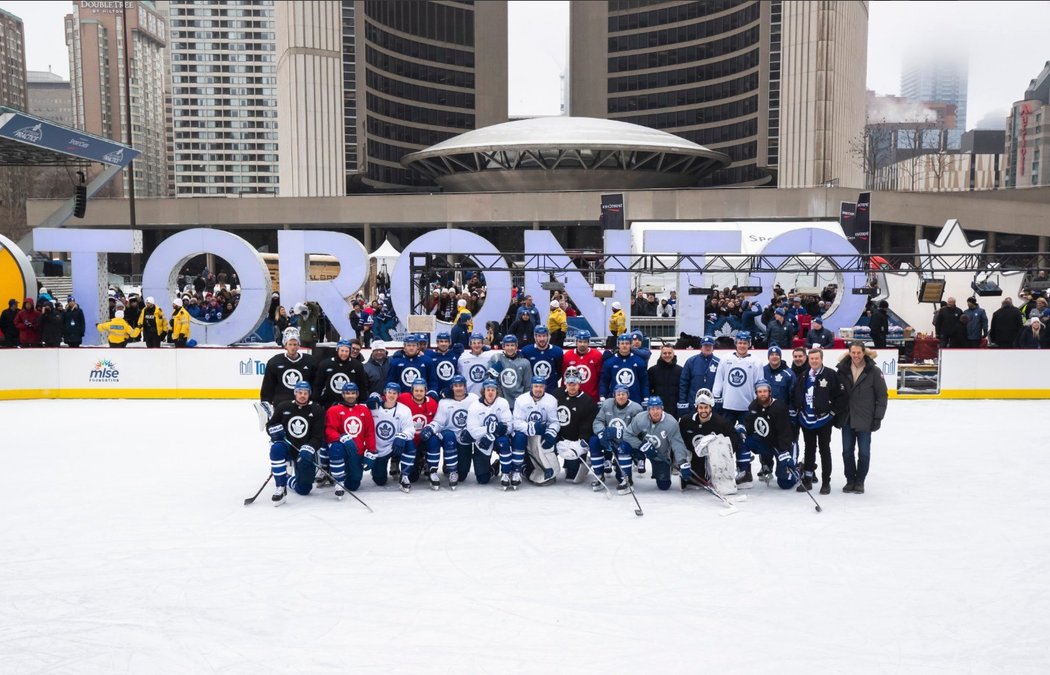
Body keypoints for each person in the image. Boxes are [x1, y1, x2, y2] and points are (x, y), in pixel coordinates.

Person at [836, 342, 888, 494]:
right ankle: (850, 480)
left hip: (865, 418)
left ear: (864, 353)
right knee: (847, 451)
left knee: (864, 452)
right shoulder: (842, 370)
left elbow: (882, 396)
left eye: (859, 353)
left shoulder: (873, 371)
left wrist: (878, 417)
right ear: (849, 353)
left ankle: (860, 481)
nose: (856, 356)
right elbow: (837, 394)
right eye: (853, 353)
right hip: (847, 417)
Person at [792, 348, 846, 494]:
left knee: (824, 449)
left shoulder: (830, 375)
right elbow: (797, 394)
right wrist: (799, 409)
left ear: (821, 359)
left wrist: (833, 412)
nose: (814, 361)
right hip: (806, 420)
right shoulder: (804, 376)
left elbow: (841, 396)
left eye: (816, 358)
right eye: (811, 359)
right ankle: (807, 479)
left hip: (824, 420)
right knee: (809, 449)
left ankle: (826, 482)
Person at [266, 381, 325, 506]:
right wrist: (275, 432)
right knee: (276, 448)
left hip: (305, 452)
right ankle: (280, 488)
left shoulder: (317, 409)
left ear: (309, 394)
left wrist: (310, 447)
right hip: (287, 446)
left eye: (305, 393)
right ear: (295, 393)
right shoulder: (283, 406)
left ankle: (288, 479)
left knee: (304, 490)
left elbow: (318, 437)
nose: (302, 395)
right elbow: (270, 425)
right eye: (299, 392)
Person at [619, 396, 688, 494]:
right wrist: (641, 445)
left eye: (658, 408)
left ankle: (660, 469)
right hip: (640, 450)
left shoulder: (671, 423)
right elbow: (627, 434)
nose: (655, 412)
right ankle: (626, 477)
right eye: (652, 409)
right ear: (648, 410)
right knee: (624, 446)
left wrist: (682, 462)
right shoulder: (640, 418)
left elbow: (677, 443)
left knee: (664, 485)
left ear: (662, 408)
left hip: (659, 455)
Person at [420, 375, 478, 489]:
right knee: (443, 437)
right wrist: (430, 428)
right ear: (451, 387)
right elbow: (439, 422)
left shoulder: (473, 399)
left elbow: (480, 416)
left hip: (465, 439)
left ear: (465, 387)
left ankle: (451, 467)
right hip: (449, 437)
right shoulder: (444, 402)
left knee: (462, 476)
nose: (458, 388)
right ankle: (447, 469)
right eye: (455, 386)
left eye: (461, 385)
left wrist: (473, 433)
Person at [678, 388, 740, 493]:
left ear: (711, 407)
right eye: (700, 408)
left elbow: (733, 439)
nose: (703, 411)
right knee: (692, 478)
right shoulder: (685, 421)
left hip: (712, 459)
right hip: (693, 457)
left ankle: (721, 478)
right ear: (696, 408)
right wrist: (682, 462)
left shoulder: (721, 423)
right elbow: (679, 441)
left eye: (706, 408)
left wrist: (724, 456)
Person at [739, 380, 797, 489]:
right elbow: (749, 426)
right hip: (767, 441)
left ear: (770, 392)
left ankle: (798, 470)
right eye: (759, 391)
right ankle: (745, 472)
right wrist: (742, 429)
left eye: (765, 391)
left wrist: (783, 452)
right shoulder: (754, 406)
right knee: (741, 439)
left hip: (783, 444)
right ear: (756, 393)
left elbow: (785, 432)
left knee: (785, 484)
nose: (762, 394)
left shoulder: (779, 407)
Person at [322, 382, 376, 497]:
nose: (350, 396)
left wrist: (371, 451)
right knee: (336, 449)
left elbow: (369, 433)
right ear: (343, 395)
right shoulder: (334, 410)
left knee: (353, 484)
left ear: (357, 394)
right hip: (342, 450)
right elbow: (329, 431)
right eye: (347, 393)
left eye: (353, 393)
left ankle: (343, 472)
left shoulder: (364, 410)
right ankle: (336, 474)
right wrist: (341, 437)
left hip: (357, 451)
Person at [367, 381, 417, 492]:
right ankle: (382, 466)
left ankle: (404, 476)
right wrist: (367, 401)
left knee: (409, 443)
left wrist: (402, 435)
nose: (392, 395)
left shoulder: (404, 410)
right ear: (385, 393)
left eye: (395, 393)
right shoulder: (373, 407)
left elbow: (410, 429)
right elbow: (358, 409)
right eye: (389, 392)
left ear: (398, 395)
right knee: (379, 481)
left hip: (396, 445)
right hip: (379, 449)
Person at [512, 376, 561, 486]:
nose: (538, 389)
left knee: (551, 441)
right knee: (519, 437)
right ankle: (519, 469)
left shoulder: (551, 400)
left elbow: (554, 422)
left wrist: (550, 433)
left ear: (545, 387)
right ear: (531, 387)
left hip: (542, 436)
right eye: (536, 386)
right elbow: (516, 422)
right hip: (526, 436)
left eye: (541, 387)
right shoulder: (521, 400)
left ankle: (547, 467)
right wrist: (532, 427)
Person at [553, 367, 599, 484]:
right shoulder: (556, 395)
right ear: (565, 383)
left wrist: (581, 443)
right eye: (569, 383)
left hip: (575, 440)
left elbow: (587, 425)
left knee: (571, 478)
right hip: (557, 437)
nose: (572, 386)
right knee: (545, 449)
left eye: (574, 383)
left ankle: (580, 460)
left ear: (579, 383)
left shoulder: (587, 401)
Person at [590, 384, 644, 484]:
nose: (621, 396)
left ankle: (626, 478)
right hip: (610, 440)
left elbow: (638, 430)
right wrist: (601, 433)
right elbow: (598, 421)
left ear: (628, 395)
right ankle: (599, 475)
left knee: (620, 476)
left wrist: (620, 433)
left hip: (626, 442)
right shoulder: (607, 404)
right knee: (594, 441)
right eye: (618, 394)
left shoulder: (636, 408)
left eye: (623, 394)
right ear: (614, 395)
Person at [465, 379, 513, 486]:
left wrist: (492, 434)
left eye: (493, 390)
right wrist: (491, 429)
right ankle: (494, 468)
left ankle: (506, 473)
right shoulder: (475, 406)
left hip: (498, 438)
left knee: (504, 441)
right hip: (481, 441)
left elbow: (509, 426)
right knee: (482, 479)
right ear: (483, 391)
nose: (490, 392)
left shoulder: (502, 402)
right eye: (488, 390)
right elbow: (473, 431)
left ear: (497, 391)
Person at [711, 332, 764, 426]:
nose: (742, 345)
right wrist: (716, 396)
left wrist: (757, 402)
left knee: (747, 435)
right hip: (728, 405)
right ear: (736, 343)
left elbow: (759, 384)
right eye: (740, 343)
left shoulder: (756, 362)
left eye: (745, 343)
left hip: (747, 406)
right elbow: (719, 379)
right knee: (726, 435)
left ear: (749, 344)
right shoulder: (725, 358)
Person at [259, 327, 319, 407]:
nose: (293, 347)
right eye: (290, 344)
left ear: (299, 345)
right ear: (285, 345)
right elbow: (268, 387)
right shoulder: (274, 362)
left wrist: (315, 403)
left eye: (295, 344)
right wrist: (266, 403)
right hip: (281, 406)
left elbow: (316, 385)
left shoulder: (311, 362)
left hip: (304, 405)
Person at [397, 378, 438, 483]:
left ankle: (428, 464)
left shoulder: (432, 403)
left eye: (421, 391)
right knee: (412, 478)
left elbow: (438, 421)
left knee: (434, 439)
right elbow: (389, 398)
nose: (419, 393)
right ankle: (400, 460)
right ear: (412, 391)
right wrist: (377, 398)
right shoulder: (403, 398)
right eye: (416, 390)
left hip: (424, 440)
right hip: (409, 440)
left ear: (426, 391)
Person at [313, 339, 370, 409]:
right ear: (337, 350)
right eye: (342, 351)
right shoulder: (325, 364)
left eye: (346, 351)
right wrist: (316, 401)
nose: (344, 353)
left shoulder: (357, 365)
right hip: (329, 404)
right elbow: (318, 385)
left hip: (350, 405)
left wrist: (363, 401)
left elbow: (362, 385)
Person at [599, 333, 649, 404]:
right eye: (622, 343)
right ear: (618, 345)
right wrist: (602, 396)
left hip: (635, 400)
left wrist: (646, 397)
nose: (624, 345)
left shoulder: (639, 361)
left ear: (631, 345)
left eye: (627, 343)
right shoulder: (609, 362)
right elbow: (604, 381)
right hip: (615, 400)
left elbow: (644, 382)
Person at [678, 335, 719, 417]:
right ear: (701, 347)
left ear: (713, 347)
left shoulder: (718, 362)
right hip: (693, 403)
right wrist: (682, 401)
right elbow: (684, 383)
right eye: (705, 345)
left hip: (711, 404)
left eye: (710, 345)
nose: (707, 348)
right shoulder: (691, 361)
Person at [487, 334, 531, 409]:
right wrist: (492, 375)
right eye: (507, 345)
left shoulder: (524, 363)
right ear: (503, 346)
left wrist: (525, 401)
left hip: (519, 402)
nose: (510, 348)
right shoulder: (496, 359)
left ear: (516, 346)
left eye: (512, 345)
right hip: (500, 402)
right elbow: (488, 381)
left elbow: (528, 386)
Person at [561, 330, 602, 401]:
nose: (582, 344)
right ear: (576, 342)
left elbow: (601, 378)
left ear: (589, 342)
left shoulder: (597, 355)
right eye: (580, 341)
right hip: (572, 397)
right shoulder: (568, 355)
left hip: (592, 398)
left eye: (585, 342)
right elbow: (564, 377)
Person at [521, 325, 564, 390]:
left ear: (548, 336)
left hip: (551, 390)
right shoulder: (526, 351)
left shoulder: (557, 351)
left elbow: (559, 372)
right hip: (533, 391)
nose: (542, 339)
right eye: (539, 336)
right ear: (535, 337)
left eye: (544, 336)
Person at [648, 344, 682, 421]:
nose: (667, 355)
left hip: (674, 409)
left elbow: (682, 390)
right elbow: (649, 389)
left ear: (673, 354)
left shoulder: (680, 370)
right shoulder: (652, 370)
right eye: (665, 353)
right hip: (657, 408)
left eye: (669, 353)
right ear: (661, 354)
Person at [426, 331, 463, 398]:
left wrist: (484, 349)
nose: (443, 344)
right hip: (436, 391)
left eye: (446, 341)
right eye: (441, 341)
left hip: (453, 391)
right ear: (437, 342)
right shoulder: (430, 355)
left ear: (449, 343)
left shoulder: (455, 354)